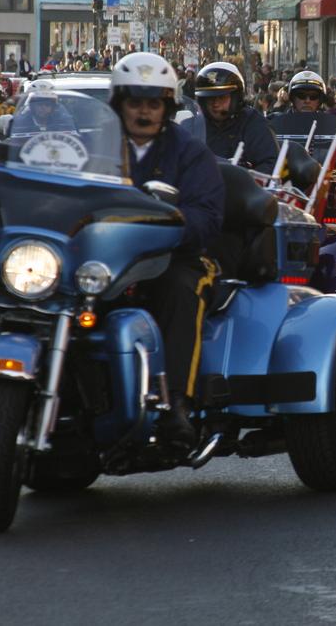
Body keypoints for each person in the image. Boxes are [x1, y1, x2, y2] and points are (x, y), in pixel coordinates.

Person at [110, 52, 225, 451]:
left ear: (166, 108)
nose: (144, 112)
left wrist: (170, 223)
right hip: (104, 259)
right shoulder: (96, 145)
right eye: (135, 102)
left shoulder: (189, 152)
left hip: (173, 256)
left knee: (181, 288)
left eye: (153, 103)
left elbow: (207, 217)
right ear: (119, 104)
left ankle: (177, 403)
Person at [195, 61, 279, 174]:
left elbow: (270, 163)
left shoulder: (253, 123)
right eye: (210, 98)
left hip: (238, 189)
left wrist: (247, 179)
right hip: (197, 188)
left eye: (221, 97)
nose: (215, 104)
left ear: (236, 97)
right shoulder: (194, 126)